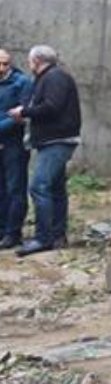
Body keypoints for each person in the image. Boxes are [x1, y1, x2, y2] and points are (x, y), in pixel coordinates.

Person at [7, 45, 81, 257]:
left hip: (57, 140)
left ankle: (43, 237)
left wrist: (25, 111)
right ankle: (57, 235)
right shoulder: (52, 77)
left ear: (36, 61)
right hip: (54, 139)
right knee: (55, 188)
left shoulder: (54, 77)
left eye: (30, 61)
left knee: (39, 186)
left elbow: (52, 106)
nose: (29, 65)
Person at [0, 49, 33, 250]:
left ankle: (13, 232)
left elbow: (20, 116)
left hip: (15, 144)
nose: (2, 67)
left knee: (15, 188)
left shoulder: (22, 82)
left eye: (5, 63)